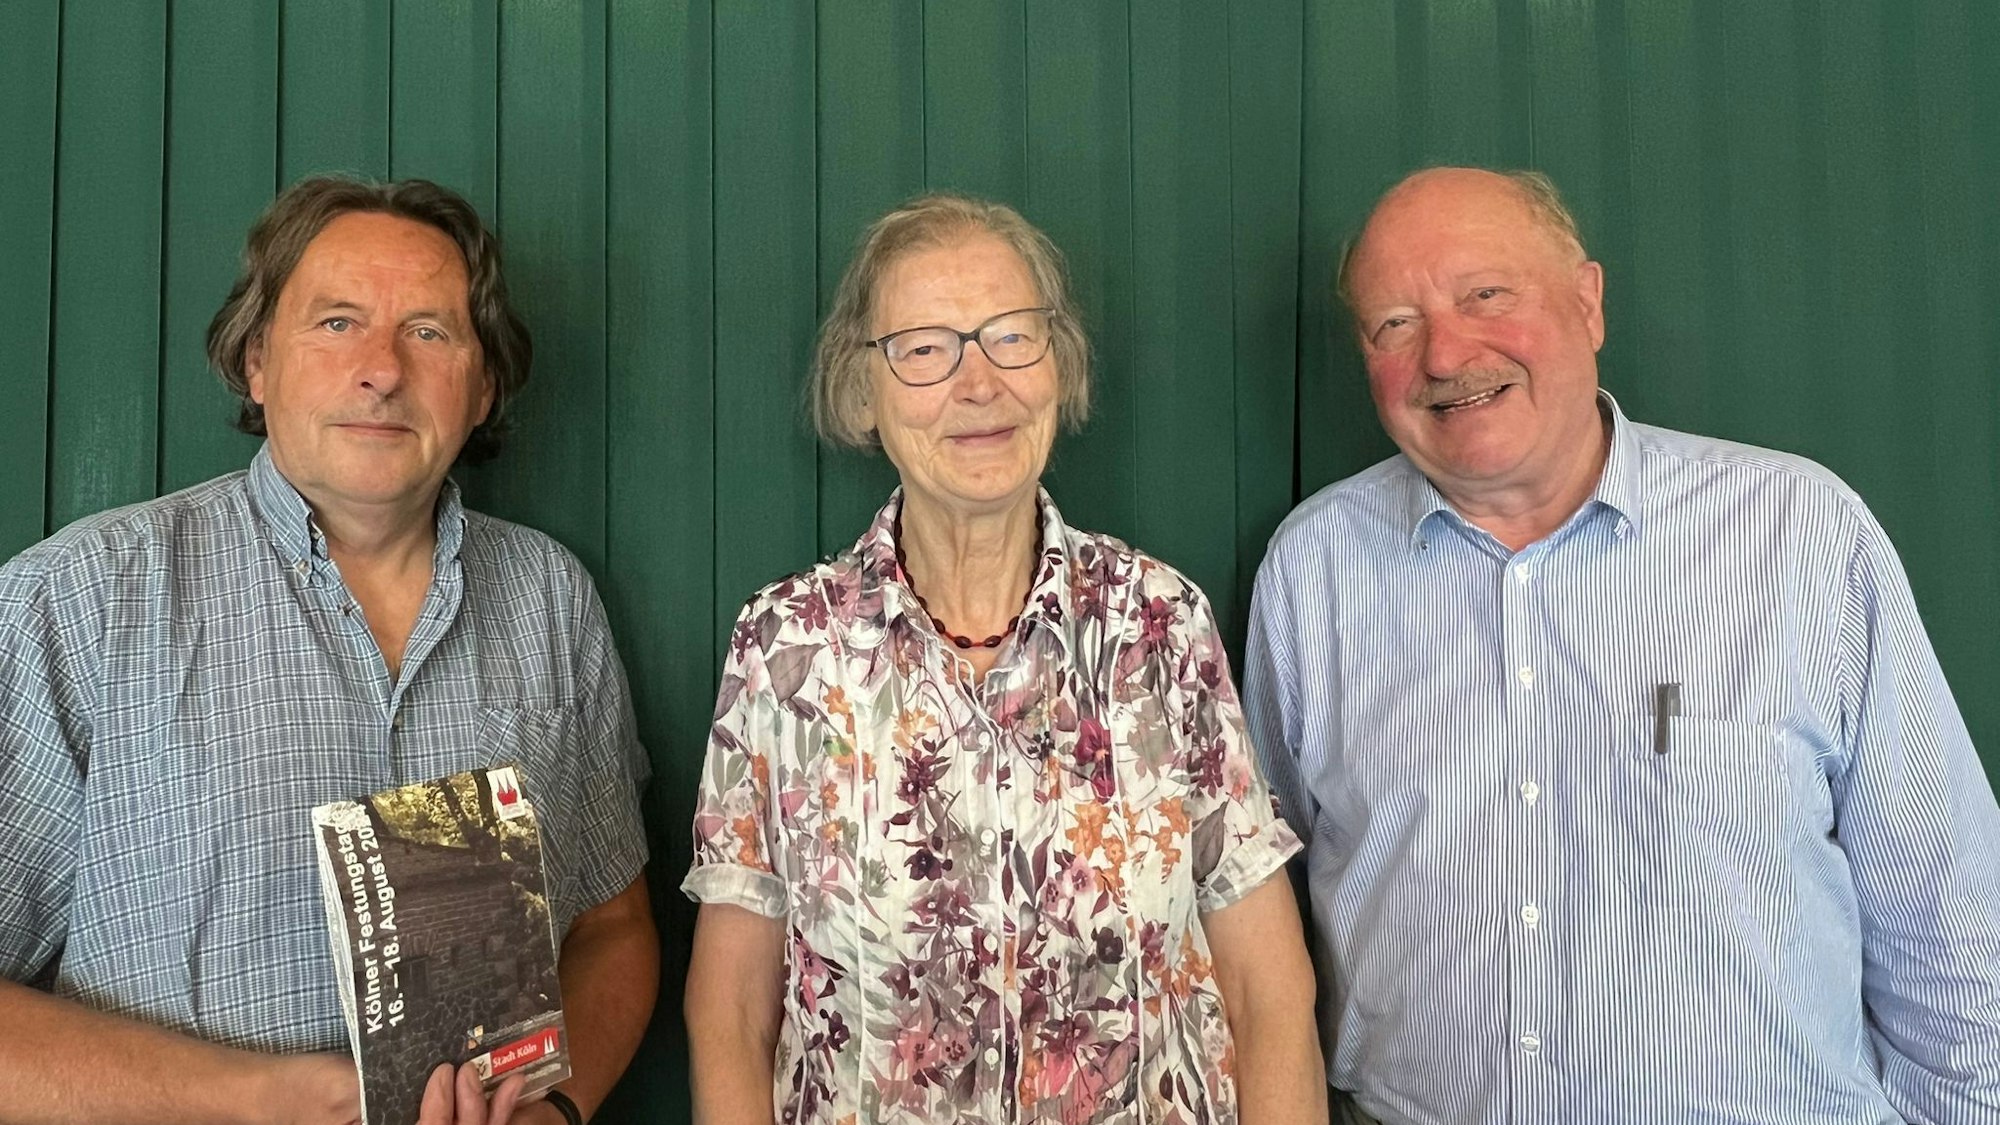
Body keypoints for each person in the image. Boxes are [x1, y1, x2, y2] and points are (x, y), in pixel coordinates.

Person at [1243, 166, 2000, 1123]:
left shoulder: (1798, 532)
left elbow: (1951, 923)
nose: (1445, 351)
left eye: (1487, 295)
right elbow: (1258, 923)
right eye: (1395, 322)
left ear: (1588, 302)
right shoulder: (1312, 570)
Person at [0, 176, 658, 1125]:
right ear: (258, 360)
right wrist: (262, 1100)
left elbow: (613, 926)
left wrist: (554, 1115)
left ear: (483, 387)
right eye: (337, 322)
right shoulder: (87, 597)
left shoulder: (551, 598)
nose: (382, 368)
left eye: (429, 331)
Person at [681, 193, 1324, 1124]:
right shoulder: (786, 646)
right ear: (863, 391)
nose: (978, 383)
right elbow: (732, 1014)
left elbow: (1269, 992)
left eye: (1011, 336)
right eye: (925, 348)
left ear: (1057, 365)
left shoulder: (1160, 625)